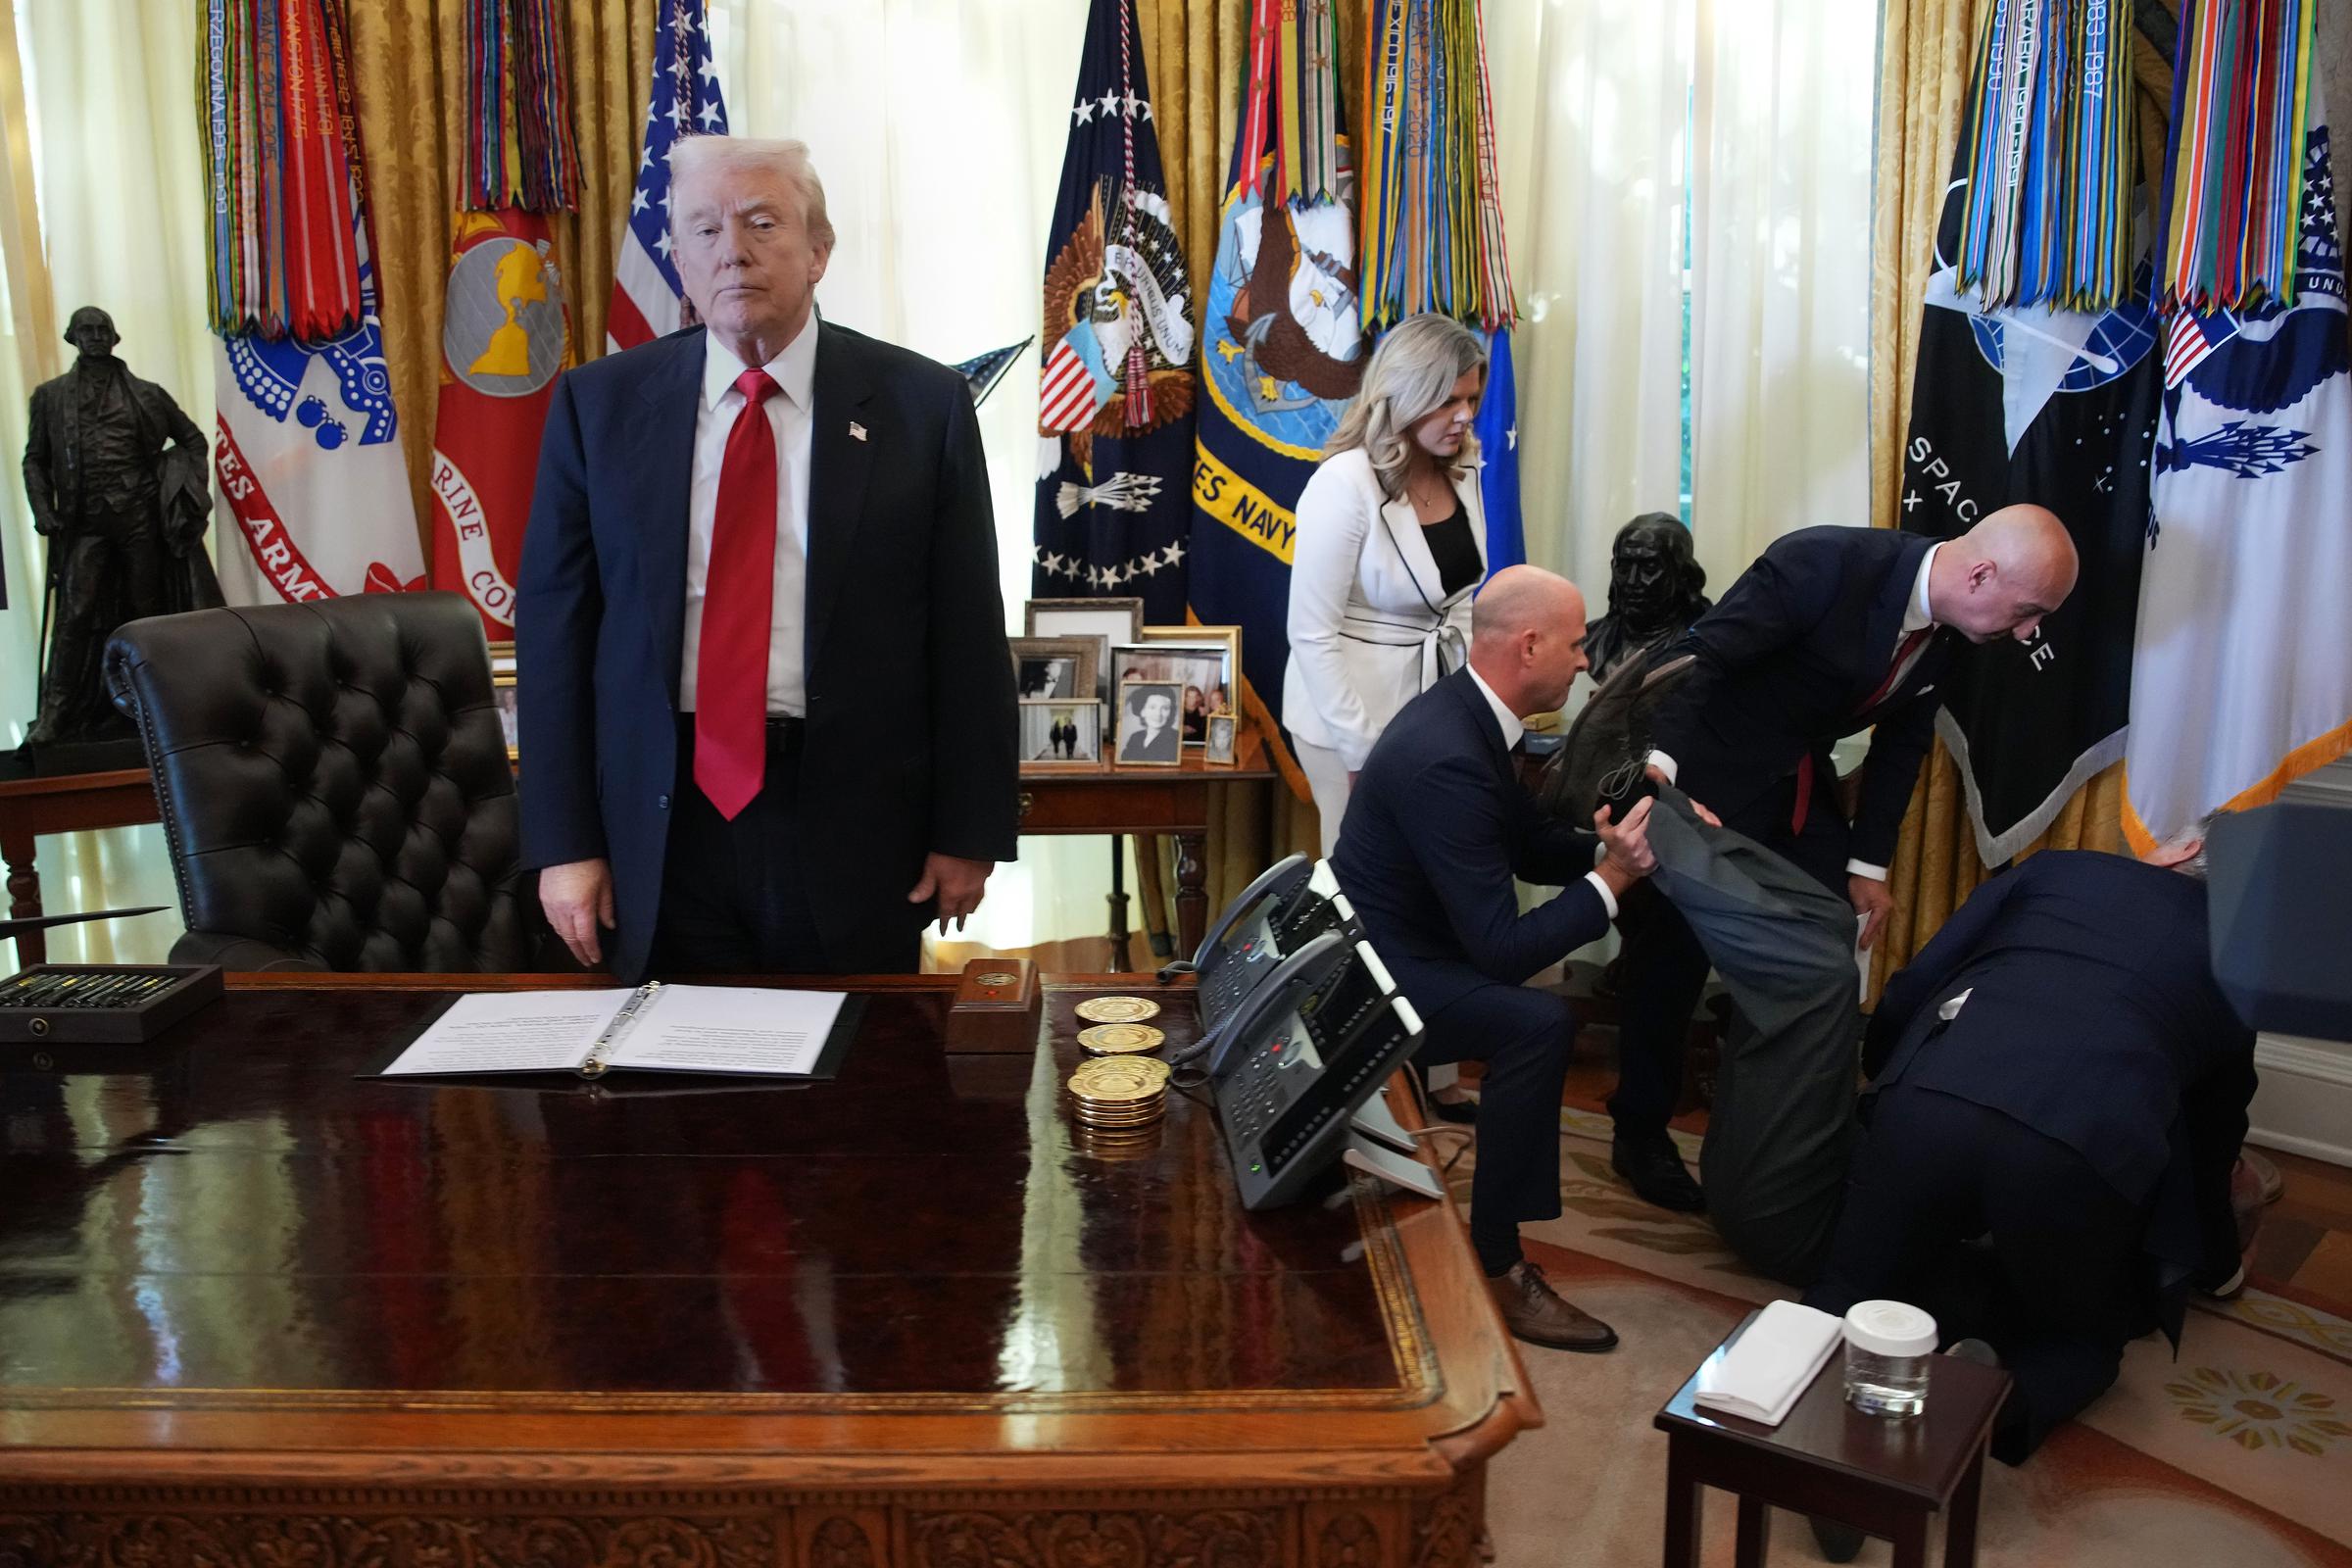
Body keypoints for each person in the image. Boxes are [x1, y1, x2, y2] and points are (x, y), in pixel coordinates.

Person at [517, 136, 1016, 981]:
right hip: (660, 821)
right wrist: (565, 842)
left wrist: (967, 830)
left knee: (857, 1085)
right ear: (676, 258)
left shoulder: (921, 406)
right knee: (671, 1095)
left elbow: (966, 631)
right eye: (704, 230)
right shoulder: (598, 406)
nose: (732, 251)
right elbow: (557, 634)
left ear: (819, 251)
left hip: (853, 822)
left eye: (761, 223)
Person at [1607, 509, 2080, 1212]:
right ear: (1981, 575)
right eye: (2029, 611)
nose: (2029, 631)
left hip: (1796, 785)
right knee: (1669, 963)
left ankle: (1769, 1148)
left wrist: (1869, 867)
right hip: (1702, 774)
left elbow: (1902, 744)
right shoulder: (1822, 564)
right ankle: (1639, 1135)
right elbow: (1702, 660)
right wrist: (1661, 781)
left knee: (1827, 945)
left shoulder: (1952, 633)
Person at [1803, 830, 2255, 1480]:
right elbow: (2213, 1147)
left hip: (1932, 1098)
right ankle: (1960, 1421)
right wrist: (2217, 1264)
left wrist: (1884, 1085)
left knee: (1849, 1285)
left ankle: (1789, 1404)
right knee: (2076, 1341)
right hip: (2079, 1147)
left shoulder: (2056, 870)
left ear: (2183, 848)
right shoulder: (2240, 965)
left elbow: (1920, 981)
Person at [1334, 565, 1663, 1351]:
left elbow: (1528, 845)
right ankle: (1499, 1265)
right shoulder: (1448, 751)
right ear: (1529, 645)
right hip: (1376, 979)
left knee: (1535, 1013)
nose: (1586, 661)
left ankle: (1490, 1245)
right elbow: (1503, 951)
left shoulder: (1470, 718)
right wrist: (1613, 881)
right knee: (1536, 1023)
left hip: (1407, 944)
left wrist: (1606, 850)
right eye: (1578, 645)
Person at [1286, 314, 1491, 854]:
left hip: (1432, 716)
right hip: (1347, 723)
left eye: (1470, 399)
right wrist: (1361, 752)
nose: (1465, 416)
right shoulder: (1343, 483)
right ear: (1404, 393)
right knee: (1365, 883)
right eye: (1448, 401)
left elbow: (1461, 605)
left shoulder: (1463, 468)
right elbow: (1310, 635)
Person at [23, 306, 218, 745]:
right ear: (71, 337)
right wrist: (42, 509)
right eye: (85, 330)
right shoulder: (50, 397)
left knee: (145, 613)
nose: (94, 336)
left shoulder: (147, 395)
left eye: (102, 329)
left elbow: (192, 440)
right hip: (84, 521)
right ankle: (57, 713)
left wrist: (176, 488)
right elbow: (34, 460)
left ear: (115, 337)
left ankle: (152, 707)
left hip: (139, 518)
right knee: (74, 614)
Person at [1121, 687, 1179, 762]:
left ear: (1170, 713)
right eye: (1152, 707)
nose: (1158, 714)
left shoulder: (1175, 738)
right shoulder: (1135, 737)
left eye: (1165, 708)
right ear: (1142, 711)